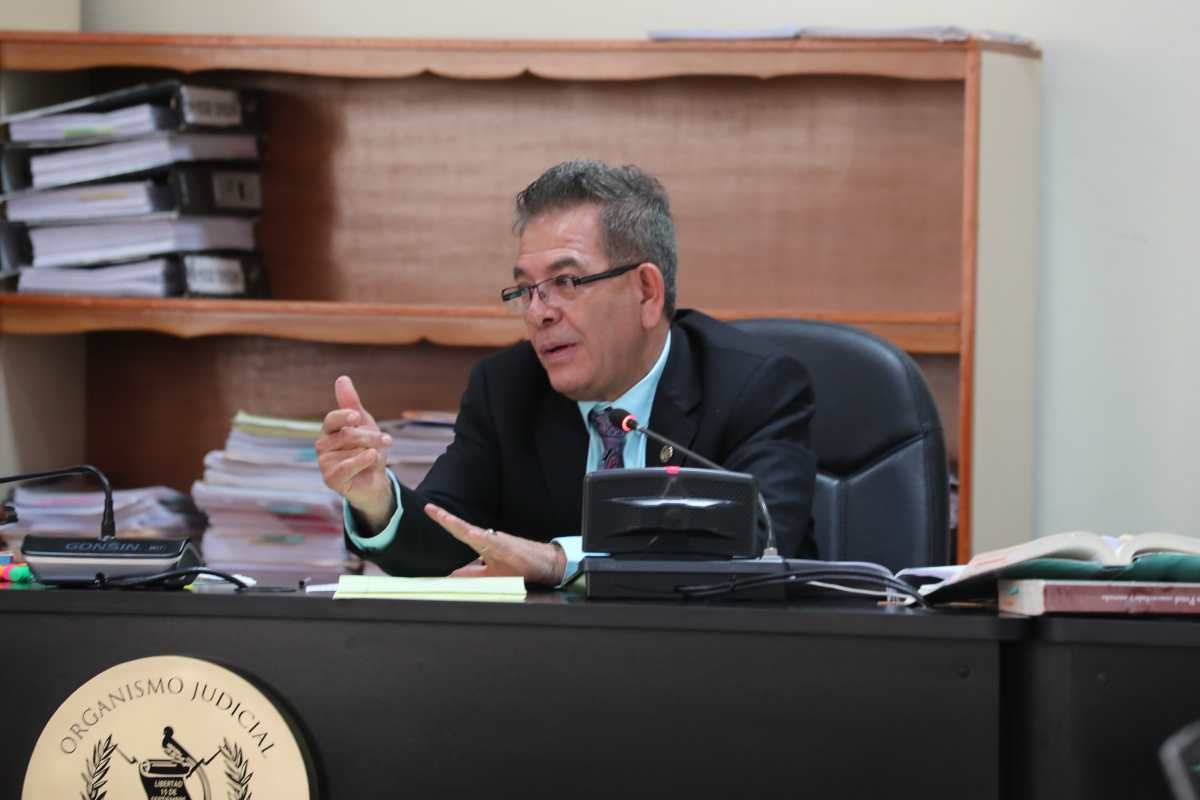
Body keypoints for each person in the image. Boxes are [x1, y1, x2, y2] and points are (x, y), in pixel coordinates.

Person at [317, 160, 817, 585]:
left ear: (646, 292)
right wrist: (377, 500)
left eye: (566, 282)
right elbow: (446, 539)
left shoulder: (753, 387)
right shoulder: (507, 389)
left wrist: (564, 562)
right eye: (525, 290)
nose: (539, 313)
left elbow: (758, 545)